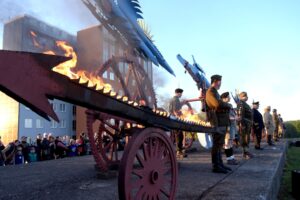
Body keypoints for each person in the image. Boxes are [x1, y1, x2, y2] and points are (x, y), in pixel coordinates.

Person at [206, 75, 232, 173]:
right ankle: (216, 166)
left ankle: (220, 164)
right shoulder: (210, 92)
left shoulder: (215, 92)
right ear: (217, 81)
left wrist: (224, 104)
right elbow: (217, 104)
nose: (221, 83)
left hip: (221, 121)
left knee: (220, 144)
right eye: (220, 81)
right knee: (217, 144)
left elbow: (219, 103)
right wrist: (228, 105)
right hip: (217, 121)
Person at [221, 92, 239, 165]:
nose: (230, 98)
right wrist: (235, 118)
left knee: (230, 143)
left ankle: (232, 158)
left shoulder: (229, 105)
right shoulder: (222, 106)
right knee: (227, 143)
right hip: (227, 127)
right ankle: (229, 159)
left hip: (232, 126)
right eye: (228, 97)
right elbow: (225, 116)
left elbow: (233, 114)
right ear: (224, 98)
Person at [169, 88, 187, 158]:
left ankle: (179, 151)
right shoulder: (176, 99)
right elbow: (175, 110)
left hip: (172, 118)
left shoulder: (172, 99)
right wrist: (179, 118)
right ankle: (179, 152)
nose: (181, 95)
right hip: (176, 120)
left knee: (178, 135)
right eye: (181, 93)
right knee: (180, 136)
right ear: (179, 93)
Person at [237, 92, 254, 159]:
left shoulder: (245, 104)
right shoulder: (241, 103)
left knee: (247, 138)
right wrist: (241, 124)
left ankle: (246, 151)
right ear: (241, 97)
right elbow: (240, 115)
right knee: (244, 138)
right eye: (245, 96)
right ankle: (244, 153)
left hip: (248, 124)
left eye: (246, 96)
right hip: (244, 124)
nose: (247, 97)